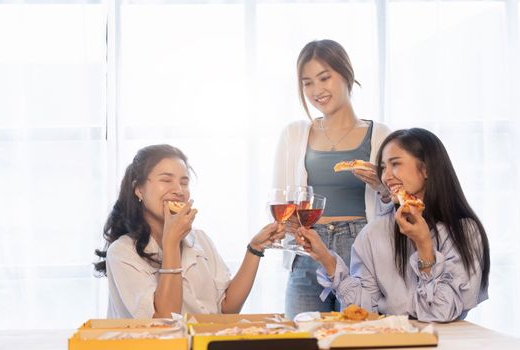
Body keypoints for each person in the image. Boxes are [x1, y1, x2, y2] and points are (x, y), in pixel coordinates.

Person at [296, 128, 491, 322]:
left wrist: (424, 245)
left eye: (395, 164)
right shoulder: (375, 232)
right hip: (391, 338)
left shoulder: (464, 231)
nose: (386, 176)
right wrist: (326, 259)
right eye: (383, 168)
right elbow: (363, 311)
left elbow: (442, 312)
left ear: (426, 169)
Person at [272, 39, 392, 318]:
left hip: (362, 252)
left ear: (346, 74)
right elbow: (280, 198)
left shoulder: (381, 135)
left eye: (324, 78)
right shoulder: (294, 134)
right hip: (308, 250)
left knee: (360, 338)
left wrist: (380, 185)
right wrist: (284, 222)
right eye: (307, 83)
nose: (317, 90)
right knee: (301, 339)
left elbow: (396, 206)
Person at [94, 144, 284, 318]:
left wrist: (255, 249)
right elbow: (165, 320)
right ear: (139, 190)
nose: (178, 190)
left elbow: (227, 308)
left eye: (184, 183)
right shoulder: (122, 252)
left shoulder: (200, 239)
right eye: (166, 180)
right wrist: (171, 244)